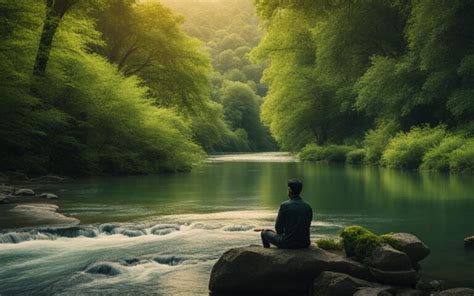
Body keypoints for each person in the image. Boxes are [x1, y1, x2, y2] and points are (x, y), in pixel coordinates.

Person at [259, 179, 313, 249]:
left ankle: (266, 254)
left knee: (264, 232)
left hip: (288, 243)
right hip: (304, 243)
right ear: (301, 190)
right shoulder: (308, 206)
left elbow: (278, 228)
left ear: (289, 189)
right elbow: (306, 226)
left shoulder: (285, 205)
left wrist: (284, 234)